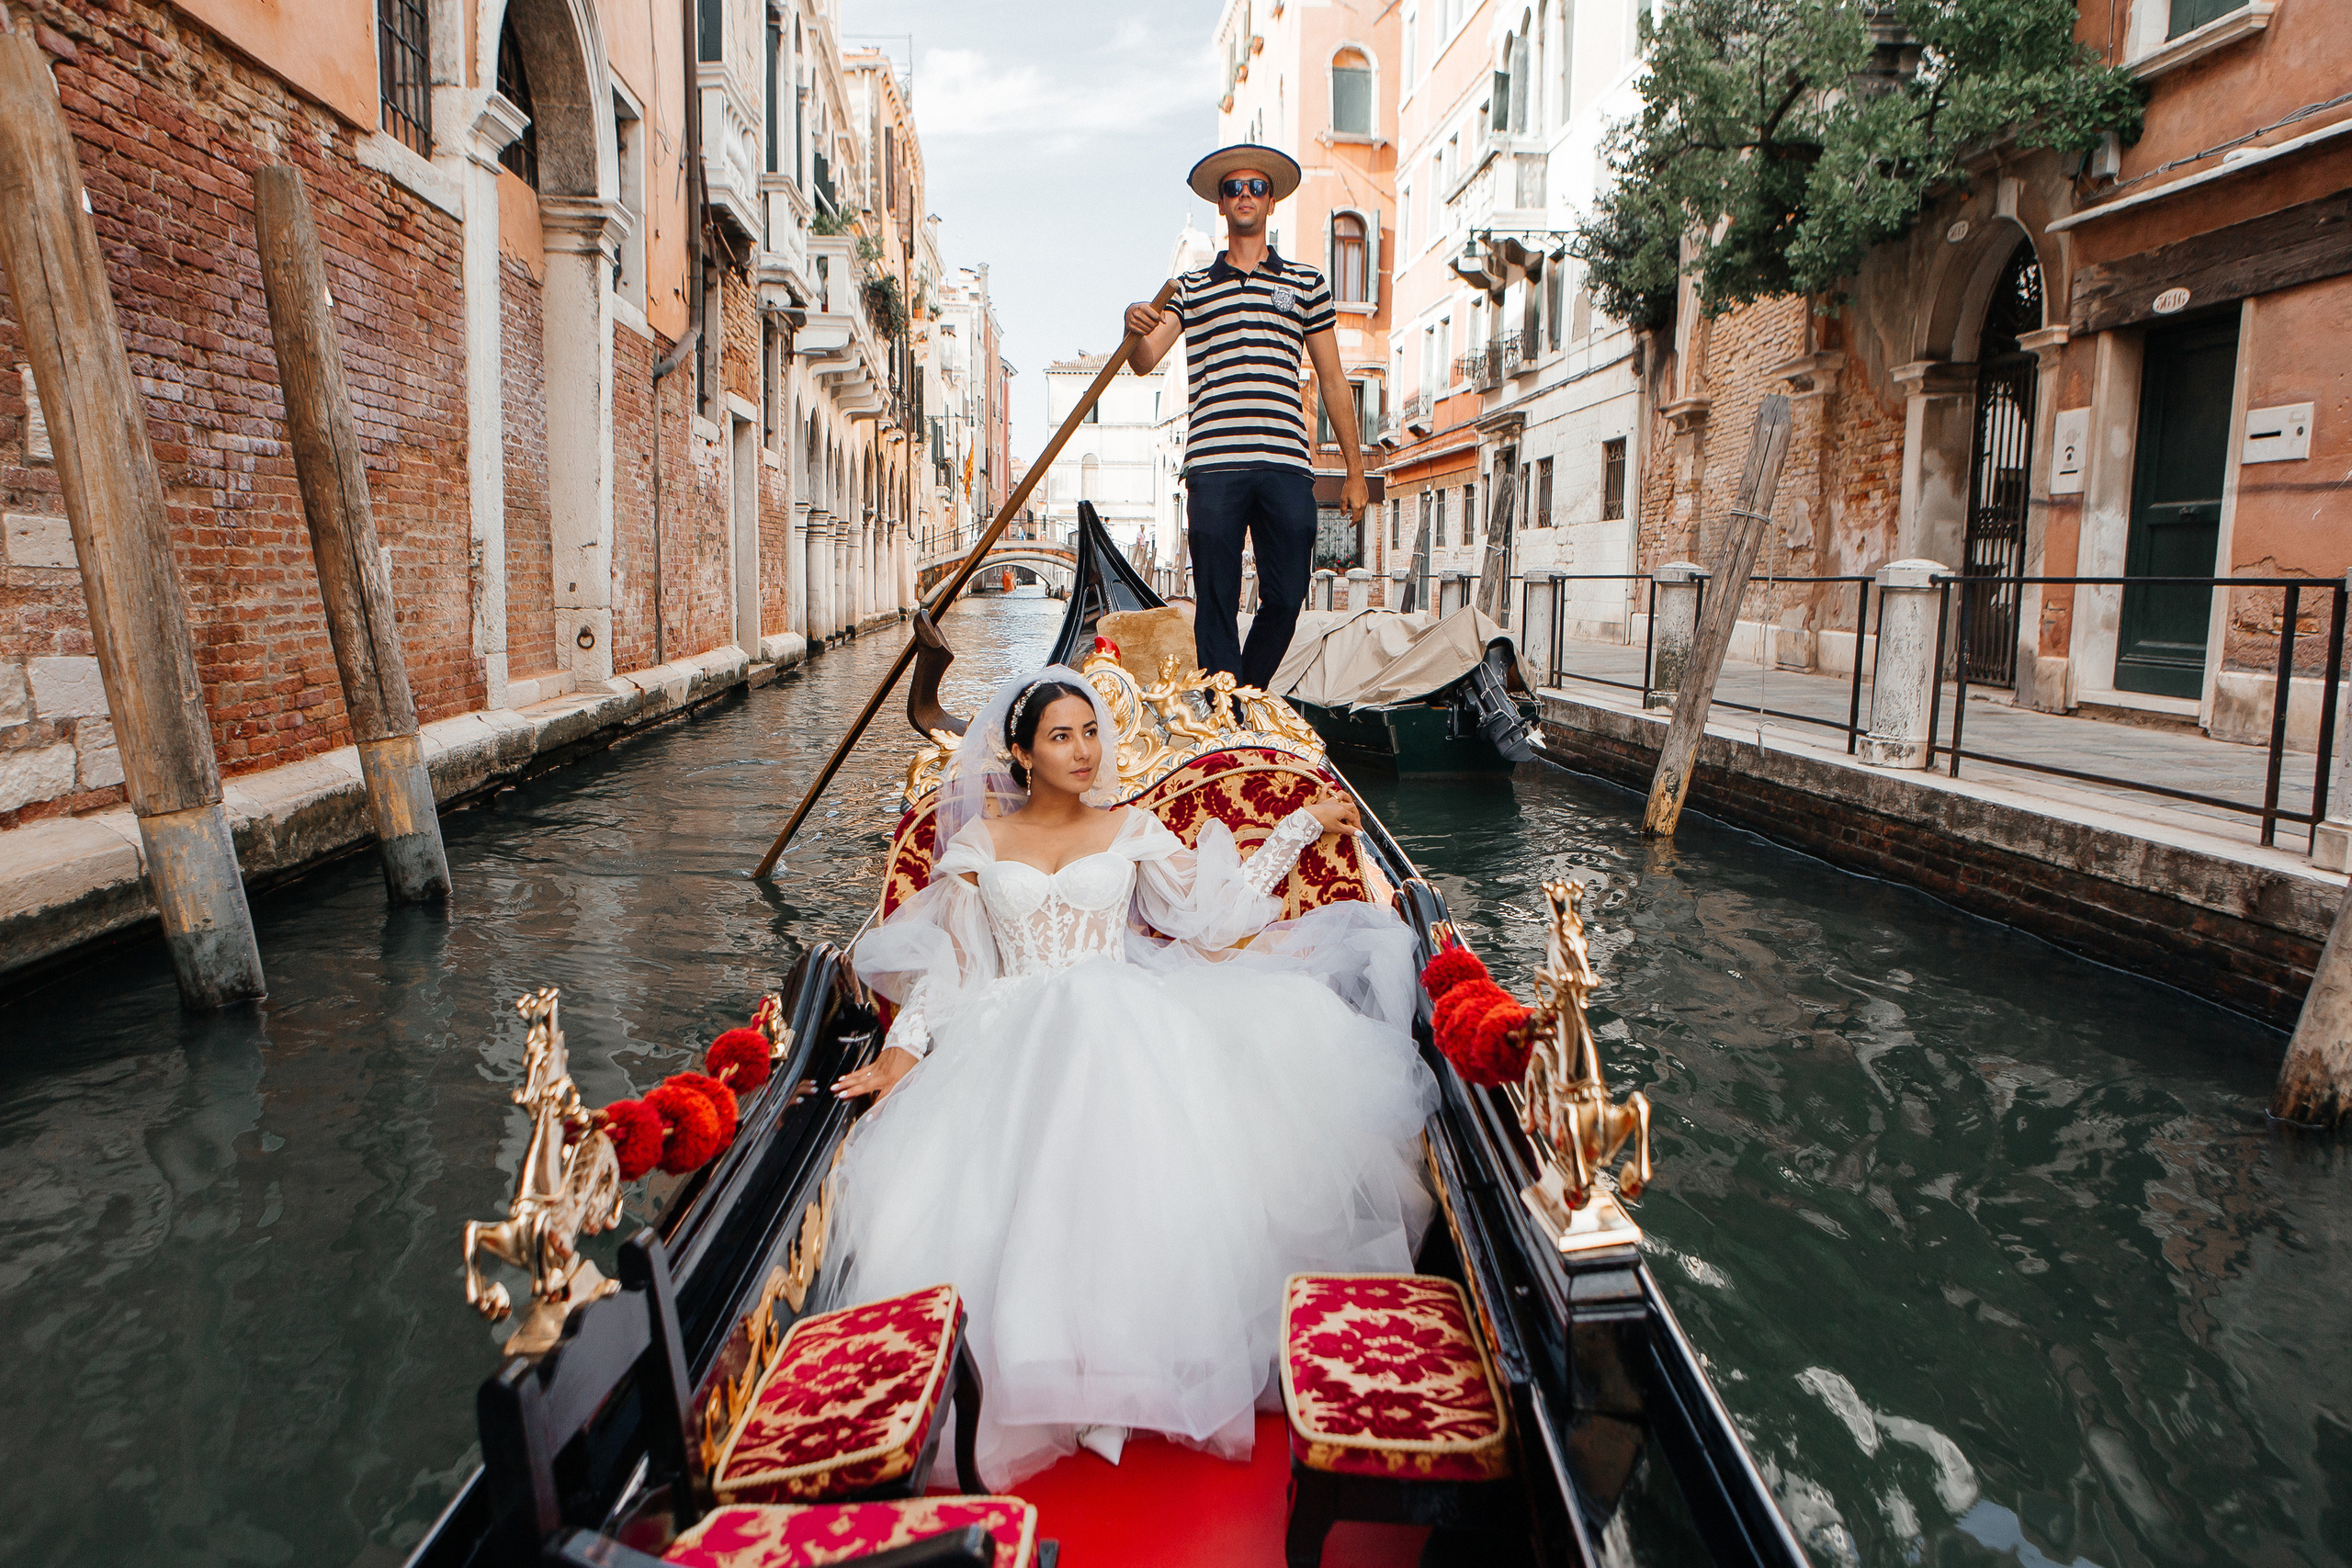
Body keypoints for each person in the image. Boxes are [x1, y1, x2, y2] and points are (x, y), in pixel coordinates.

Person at [821, 666, 1436, 1487]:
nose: (1084, 750)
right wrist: (903, 1048)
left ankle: (1125, 1367)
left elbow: (1209, 920)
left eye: (1089, 732)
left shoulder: (1131, 827)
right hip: (1008, 1029)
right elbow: (953, 963)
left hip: (1120, 1011)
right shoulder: (978, 845)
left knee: (1096, 1025)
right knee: (1060, 1044)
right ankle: (1047, 1372)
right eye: (1061, 736)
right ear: (1022, 753)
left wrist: (1294, 827)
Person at [1124, 144, 1370, 692]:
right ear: (1221, 203)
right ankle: (1227, 711)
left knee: (1285, 595)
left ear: (1272, 201)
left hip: (1285, 464)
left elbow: (1331, 379)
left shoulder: (1307, 283)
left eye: (1256, 187)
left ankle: (1242, 697)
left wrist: (1355, 473)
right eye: (1234, 188)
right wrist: (1130, 324)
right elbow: (1143, 362)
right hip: (1213, 465)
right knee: (1215, 598)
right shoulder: (1190, 288)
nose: (1245, 196)